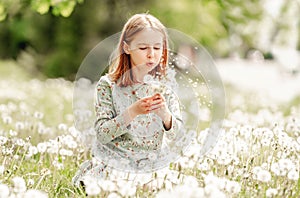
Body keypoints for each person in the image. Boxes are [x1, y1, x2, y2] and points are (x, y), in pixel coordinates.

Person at [73, 13, 183, 187]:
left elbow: (178, 135)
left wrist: (165, 115)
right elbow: (102, 134)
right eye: (143, 48)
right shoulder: (108, 85)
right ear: (126, 47)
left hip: (150, 166)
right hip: (114, 163)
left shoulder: (165, 88)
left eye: (157, 48)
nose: (151, 55)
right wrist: (132, 112)